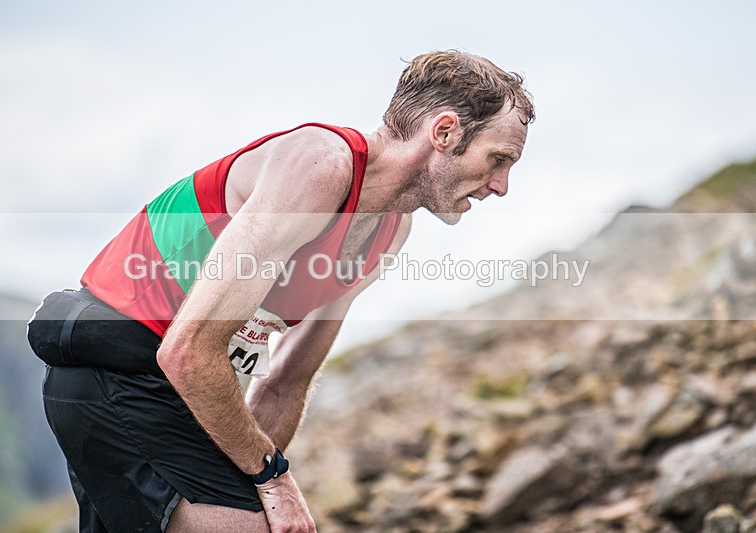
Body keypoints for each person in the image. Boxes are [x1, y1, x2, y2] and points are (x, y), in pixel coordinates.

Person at [28, 50, 534, 532]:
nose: (502, 186)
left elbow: (285, 383)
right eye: (498, 159)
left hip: (179, 389)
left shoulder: (391, 230)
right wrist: (273, 479)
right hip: (111, 365)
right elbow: (187, 351)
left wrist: (261, 481)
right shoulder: (319, 166)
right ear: (444, 132)